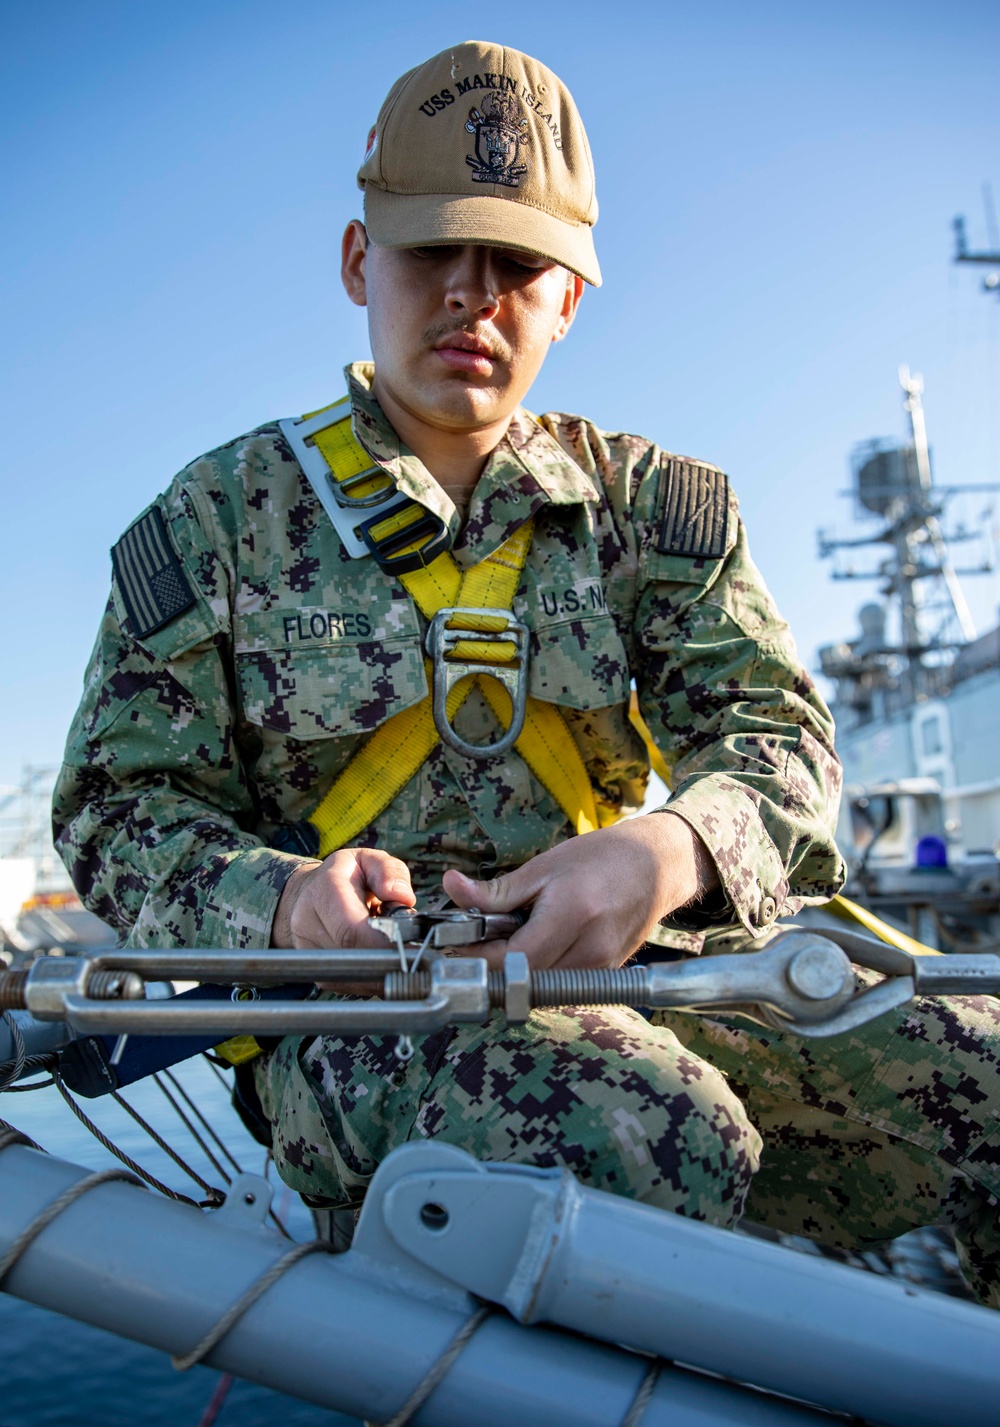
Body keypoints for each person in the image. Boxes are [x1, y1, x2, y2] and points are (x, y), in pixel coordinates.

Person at [53, 40, 999, 1305]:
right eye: (431, 250)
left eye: (515, 263)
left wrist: (664, 855)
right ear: (355, 262)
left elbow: (777, 732)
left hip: (646, 968)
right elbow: (115, 804)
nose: (468, 293)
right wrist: (282, 903)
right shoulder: (220, 521)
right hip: (361, 1013)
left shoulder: (650, 513)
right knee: (642, 1131)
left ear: (569, 300)